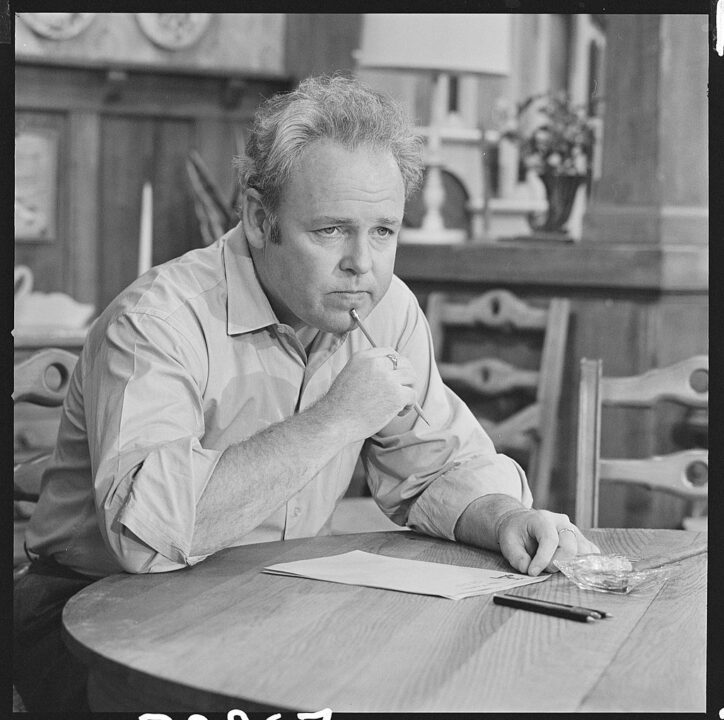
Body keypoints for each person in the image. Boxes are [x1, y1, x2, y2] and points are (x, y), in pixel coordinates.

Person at [14, 74, 598, 711]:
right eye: (331, 231)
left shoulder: (387, 308)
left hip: (262, 600)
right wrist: (336, 418)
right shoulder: (157, 321)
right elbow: (146, 540)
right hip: (90, 615)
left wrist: (506, 518)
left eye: (383, 231)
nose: (363, 263)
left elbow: (438, 469)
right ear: (261, 220)